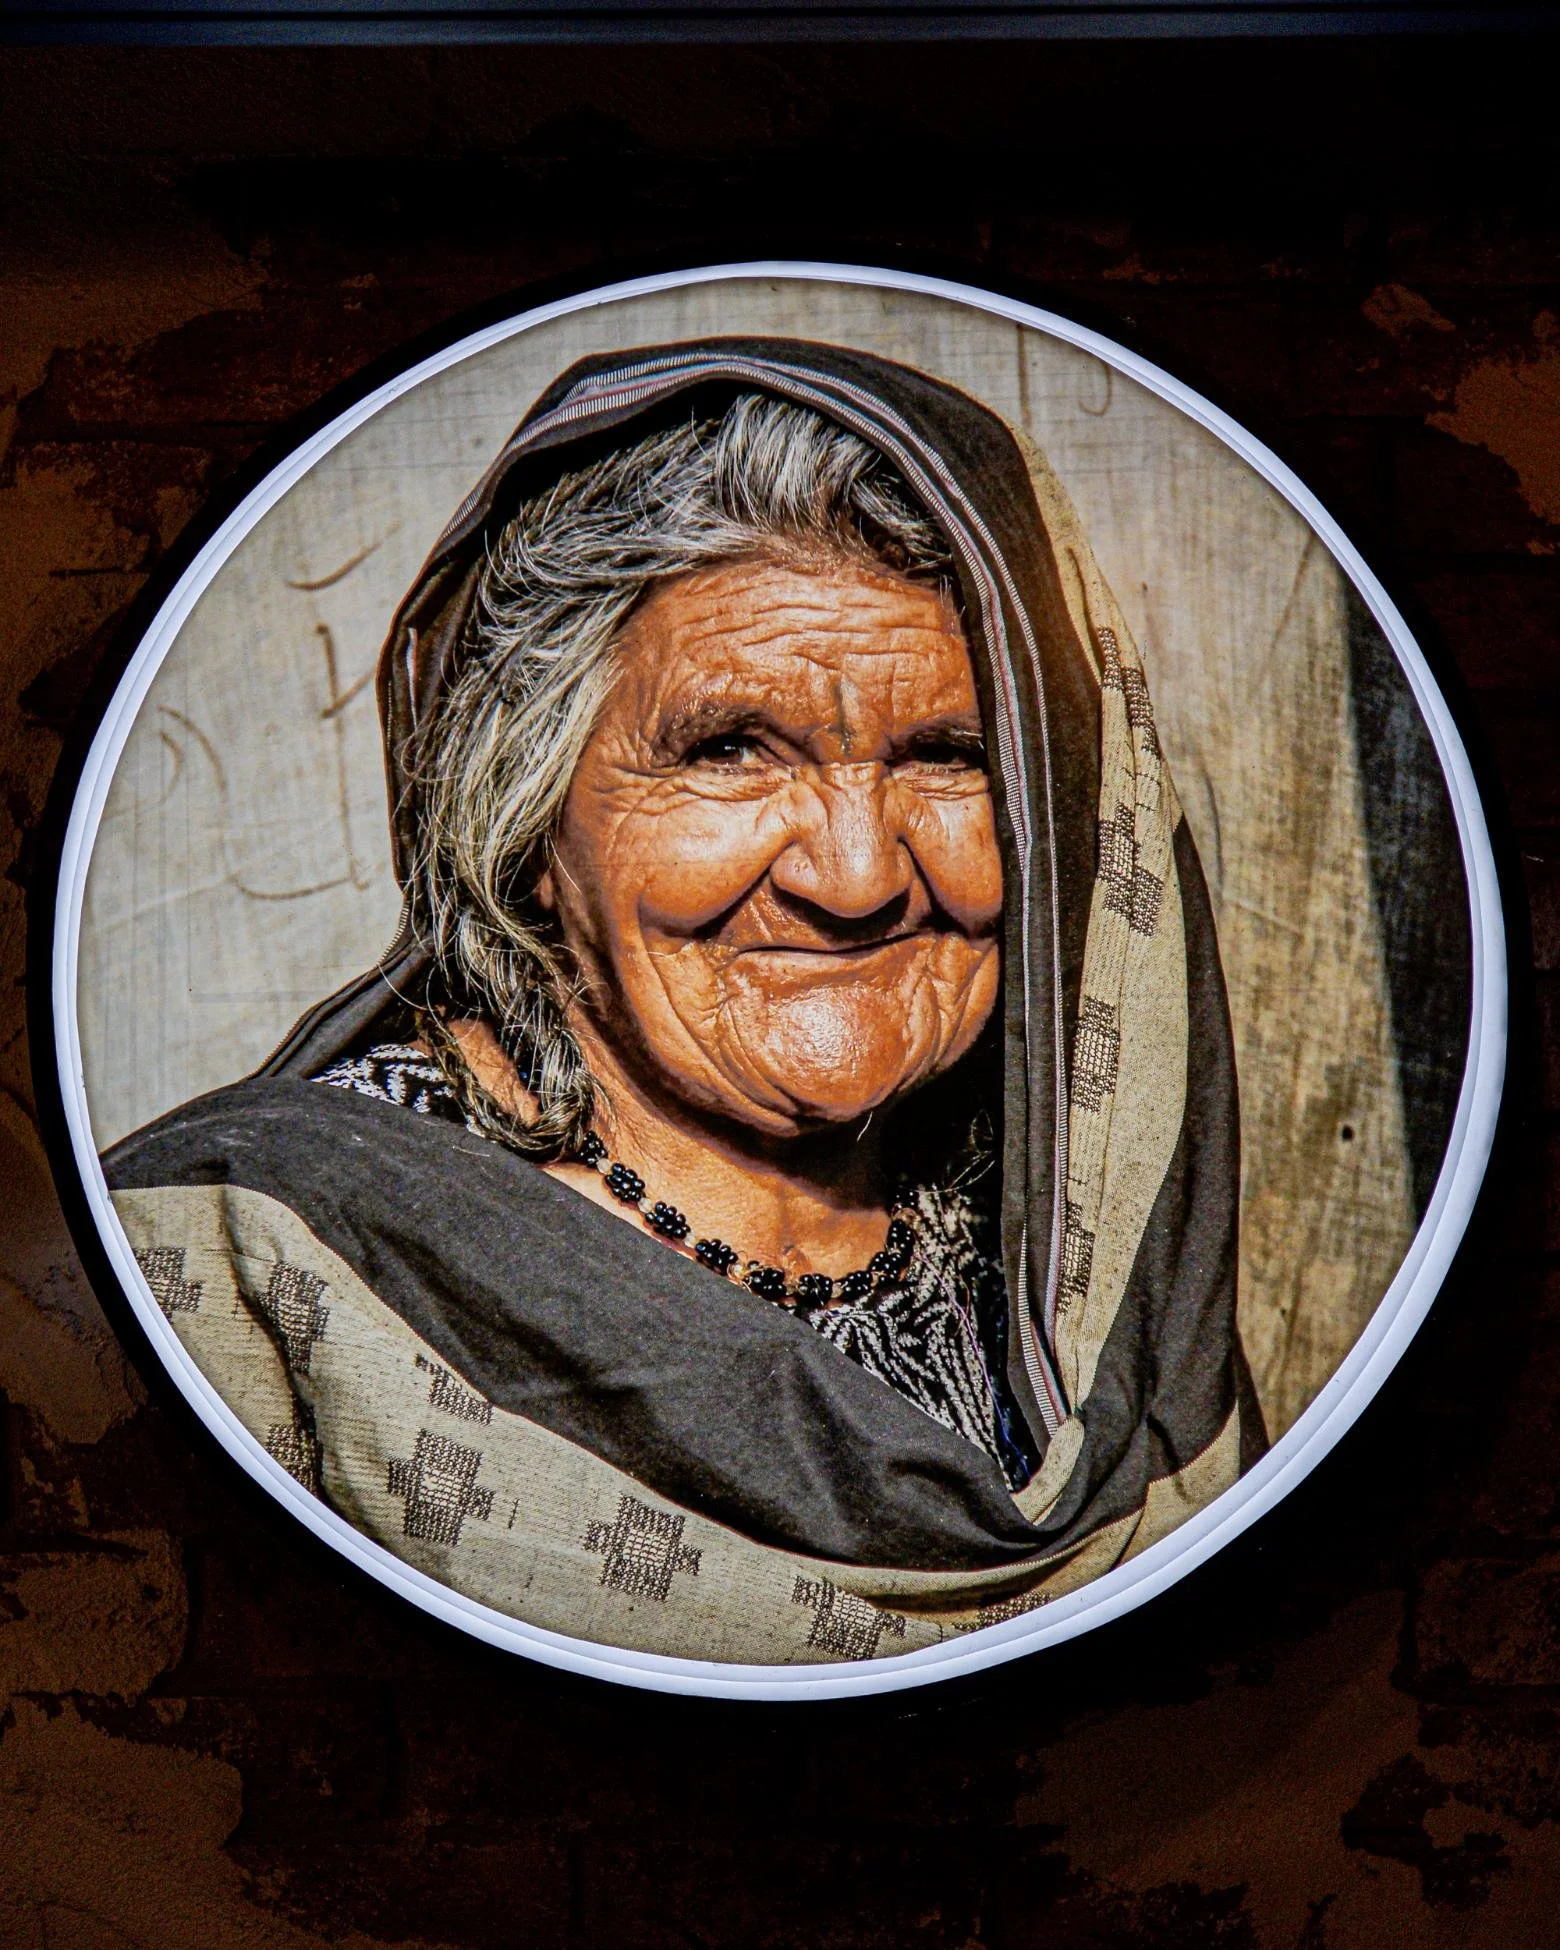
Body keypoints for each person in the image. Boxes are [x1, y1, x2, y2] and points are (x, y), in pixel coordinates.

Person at [106, 339, 1263, 1666]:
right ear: (529, 821)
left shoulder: (1093, 1268)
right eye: (730, 751)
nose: (856, 876)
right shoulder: (240, 1273)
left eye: (947, 757)